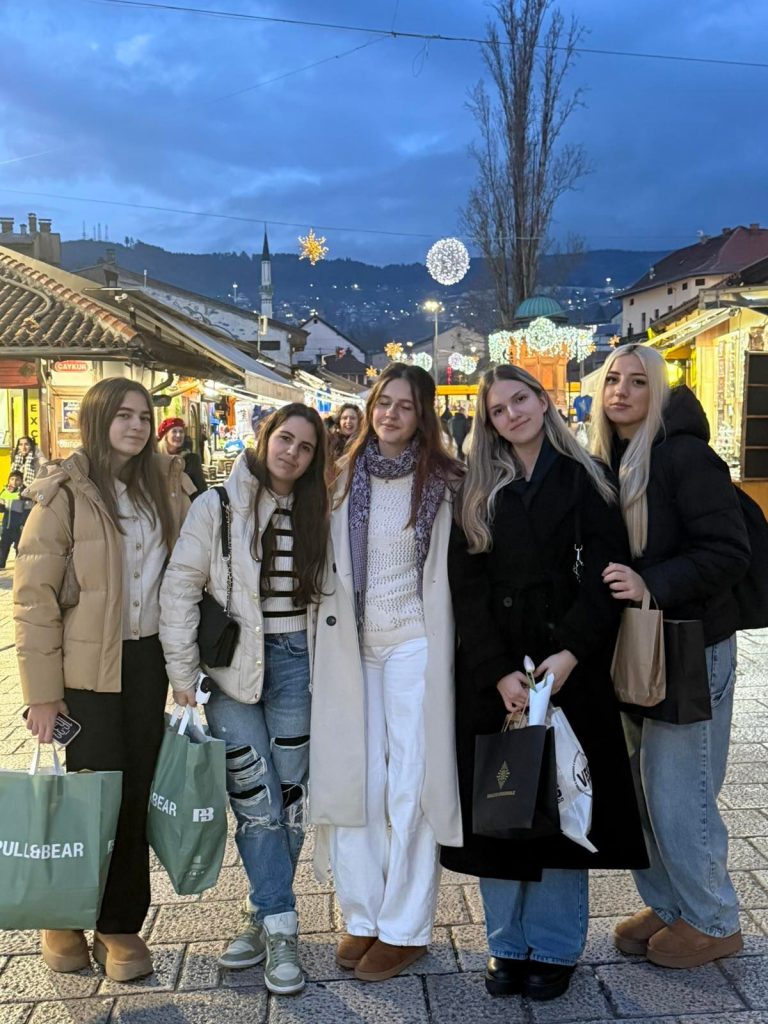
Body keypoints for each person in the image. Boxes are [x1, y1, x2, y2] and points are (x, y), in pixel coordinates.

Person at [443, 365, 646, 1001]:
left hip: (567, 668)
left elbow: (607, 577)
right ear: (488, 423)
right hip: (497, 671)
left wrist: (571, 654)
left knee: (562, 804)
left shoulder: (588, 476)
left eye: (520, 400)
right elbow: (466, 589)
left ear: (543, 400)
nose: (512, 415)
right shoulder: (476, 487)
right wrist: (496, 671)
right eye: (498, 410)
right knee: (501, 803)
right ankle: (506, 942)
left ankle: (555, 946)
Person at [14, 378, 193, 982]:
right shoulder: (65, 493)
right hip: (85, 672)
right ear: (96, 420)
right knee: (87, 796)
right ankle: (62, 916)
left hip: (146, 663)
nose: (136, 426)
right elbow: (34, 598)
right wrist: (43, 695)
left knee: (134, 795)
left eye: (144, 415)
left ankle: (119, 923)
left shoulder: (167, 487)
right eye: (123, 415)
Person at [159, 403, 329, 996]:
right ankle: (283, 927)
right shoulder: (217, 505)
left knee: (291, 796)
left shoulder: (319, 509)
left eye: (306, 447)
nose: (292, 453)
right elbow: (181, 587)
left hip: (297, 665)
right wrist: (182, 674)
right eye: (285, 439)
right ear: (265, 437)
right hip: (231, 671)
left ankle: (260, 910)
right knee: (256, 797)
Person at [591, 344, 750, 969]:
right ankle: (669, 905)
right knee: (639, 787)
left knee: (679, 789)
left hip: (690, 645)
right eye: (613, 380)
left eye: (638, 382)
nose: (622, 391)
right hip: (637, 646)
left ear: (657, 392)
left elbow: (728, 552)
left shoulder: (685, 456)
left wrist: (649, 582)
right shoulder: (610, 459)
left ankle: (713, 919)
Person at [310, 363, 463, 983]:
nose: (391, 414)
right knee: (359, 782)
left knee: (411, 783)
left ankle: (405, 927)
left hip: (416, 642)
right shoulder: (342, 477)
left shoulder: (446, 481)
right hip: (353, 645)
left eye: (405, 405)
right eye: (383, 403)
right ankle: (363, 914)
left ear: (423, 415)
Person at [157, 417, 207, 497]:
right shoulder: (156, 460)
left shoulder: (191, 459)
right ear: (165, 435)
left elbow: (202, 491)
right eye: (174, 431)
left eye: (181, 431)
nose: (178, 435)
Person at [0, 470, 31, 568]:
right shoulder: (5, 491)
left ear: (21, 481)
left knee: (19, 547)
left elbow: (27, 510)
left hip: (18, 527)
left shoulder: (24, 493)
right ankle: (1, 563)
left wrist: (23, 524)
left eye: (17, 479)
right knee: (3, 546)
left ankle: (20, 566)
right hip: (6, 525)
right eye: (12, 479)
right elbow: (2, 509)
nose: (14, 481)